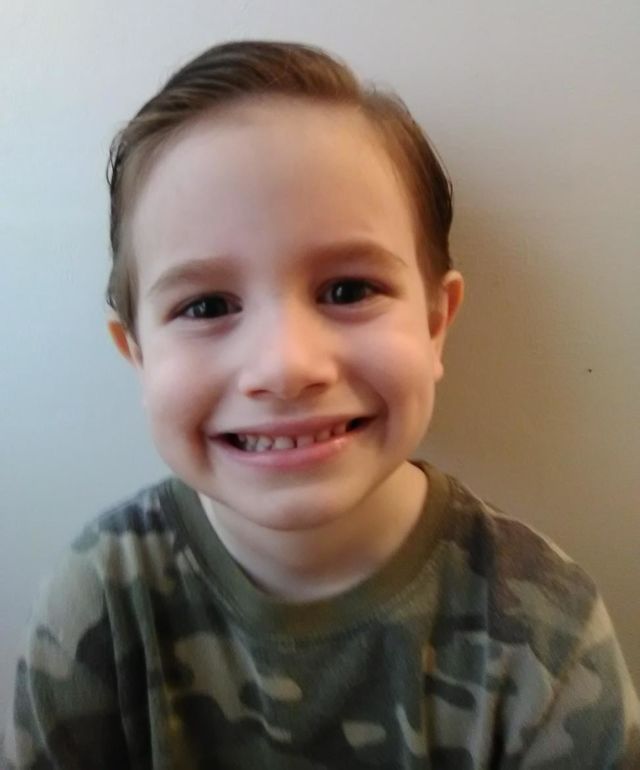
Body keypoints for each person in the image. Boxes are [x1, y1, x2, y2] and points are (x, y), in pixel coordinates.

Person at [2, 39, 638, 770]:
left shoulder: (544, 628)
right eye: (207, 305)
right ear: (138, 356)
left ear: (435, 324)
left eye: (348, 290)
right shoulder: (98, 603)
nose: (285, 367)